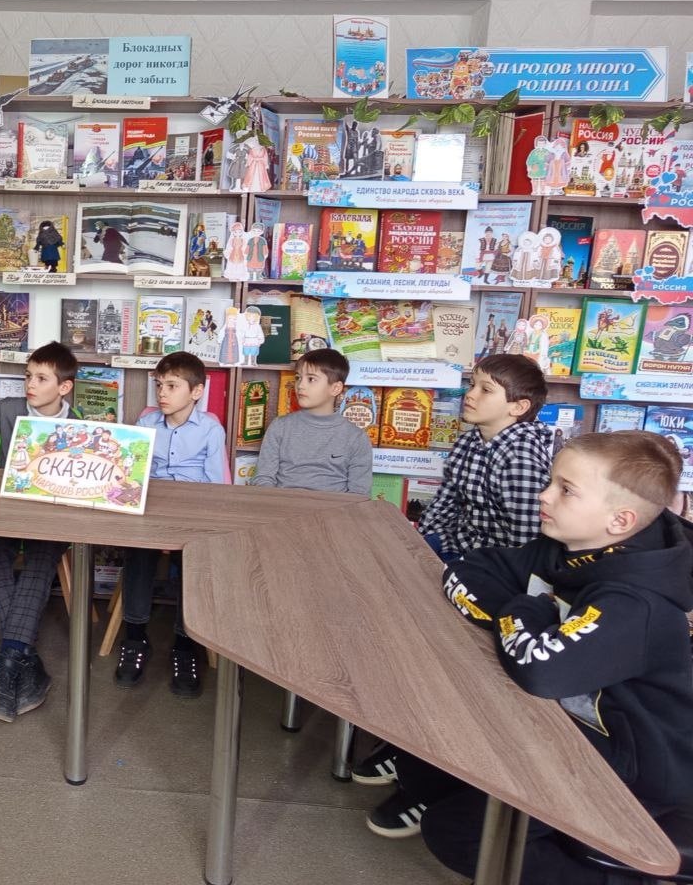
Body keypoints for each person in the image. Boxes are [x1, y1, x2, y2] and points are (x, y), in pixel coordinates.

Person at [416, 431, 693, 881]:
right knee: (425, 767)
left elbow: (541, 670)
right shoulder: (566, 546)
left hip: (636, 767)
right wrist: (526, 617)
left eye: (566, 490)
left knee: (455, 833)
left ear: (620, 521)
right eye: (551, 481)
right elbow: (467, 571)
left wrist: (522, 611)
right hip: (571, 729)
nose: (544, 495)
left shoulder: (636, 605)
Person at [359, 353, 552, 835]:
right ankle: (408, 748)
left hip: (497, 580)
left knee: (445, 672)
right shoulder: (470, 439)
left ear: (518, 407)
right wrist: (420, 551)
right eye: (472, 384)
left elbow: (525, 546)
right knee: (388, 618)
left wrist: (459, 574)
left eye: (486, 389)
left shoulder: (521, 456)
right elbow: (445, 504)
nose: (470, 394)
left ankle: (430, 781)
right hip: (459, 559)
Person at [0, 341, 82, 722]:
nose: (30, 384)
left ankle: (7, 661)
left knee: (41, 559)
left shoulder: (77, 423)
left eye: (41, 378)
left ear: (64, 387)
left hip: (51, 516)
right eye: (28, 376)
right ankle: (23, 659)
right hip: (5, 507)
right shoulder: (8, 409)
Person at [113, 353, 229, 697]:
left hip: (194, 511)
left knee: (192, 560)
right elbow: (132, 473)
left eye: (172, 386)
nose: (162, 393)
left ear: (196, 392)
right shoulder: (147, 422)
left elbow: (216, 486)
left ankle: (184, 643)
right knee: (138, 551)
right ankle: (135, 637)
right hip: (152, 507)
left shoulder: (210, 428)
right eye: (159, 385)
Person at [250, 348, 371, 497]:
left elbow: (359, 494)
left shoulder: (356, 438)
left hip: (333, 509)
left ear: (335, 388)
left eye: (311, 379)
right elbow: (263, 478)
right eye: (298, 378)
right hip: (283, 505)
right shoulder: (280, 427)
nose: (300, 385)